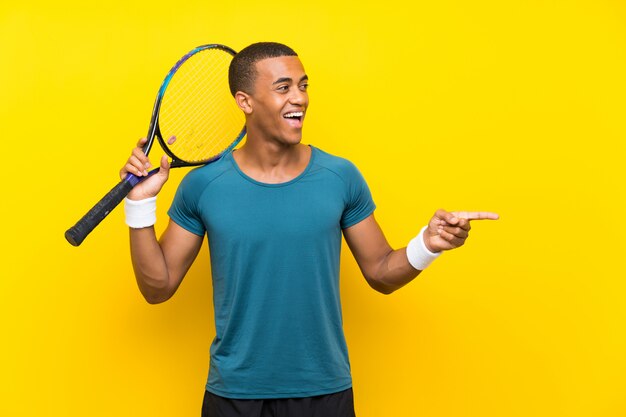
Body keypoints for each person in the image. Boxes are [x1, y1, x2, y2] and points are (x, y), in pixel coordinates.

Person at [120, 42, 498, 417]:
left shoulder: (340, 177)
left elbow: (381, 272)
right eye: (283, 88)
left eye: (303, 85)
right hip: (233, 394)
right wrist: (139, 205)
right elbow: (158, 287)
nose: (299, 98)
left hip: (324, 392)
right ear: (245, 101)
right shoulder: (205, 185)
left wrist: (428, 245)